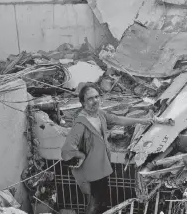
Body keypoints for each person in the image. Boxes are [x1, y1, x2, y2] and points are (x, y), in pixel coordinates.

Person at [61, 84, 155, 214]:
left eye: (97, 97)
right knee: (93, 205)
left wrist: (144, 121)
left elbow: (117, 119)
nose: (95, 101)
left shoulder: (100, 114)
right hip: (89, 173)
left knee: (101, 203)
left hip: (102, 168)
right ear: (83, 102)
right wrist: (81, 156)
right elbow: (66, 151)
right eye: (90, 99)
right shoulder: (80, 123)